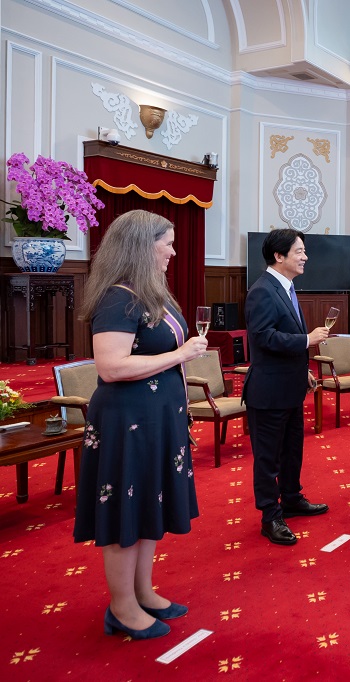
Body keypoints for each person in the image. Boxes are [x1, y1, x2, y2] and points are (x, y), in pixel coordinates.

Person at [74, 209, 208, 640]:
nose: (172, 250)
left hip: (156, 419)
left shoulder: (151, 294)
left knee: (148, 505)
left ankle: (143, 592)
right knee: (125, 514)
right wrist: (180, 355)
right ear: (140, 246)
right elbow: (111, 367)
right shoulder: (118, 297)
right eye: (166, 242)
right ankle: (122, 607)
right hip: (126, 422)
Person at [243, 228, 330, 546]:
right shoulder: (263, 290)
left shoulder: (286, 287)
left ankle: (291, 498)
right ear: (279, 256)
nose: (305, 256)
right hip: (268, 391)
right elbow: (264, 337)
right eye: (299, 251)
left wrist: (303, 368)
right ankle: (270, 516)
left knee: (293, 450)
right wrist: (308, 340)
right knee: (268, 458)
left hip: (290, 386)